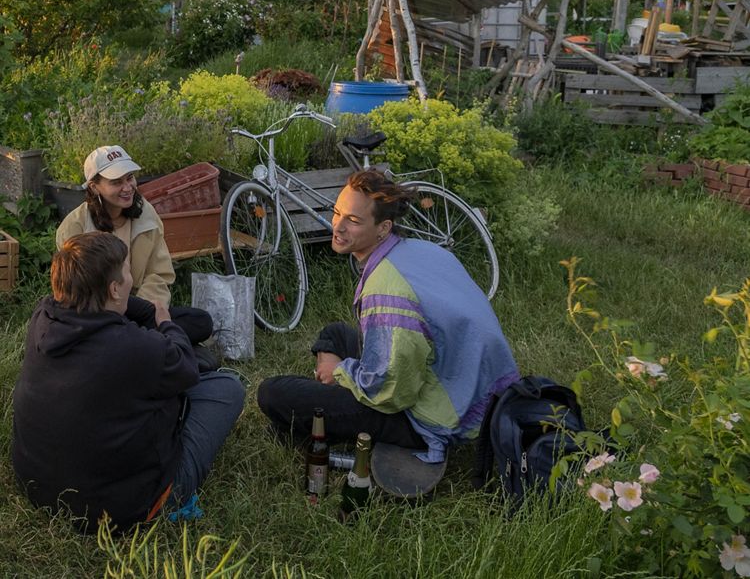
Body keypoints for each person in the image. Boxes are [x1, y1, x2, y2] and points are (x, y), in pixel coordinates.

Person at [257, 169, 519, 464]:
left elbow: (392, 392)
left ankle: (315, 418)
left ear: (383, 228)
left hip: (433, 416)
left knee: (272, 393)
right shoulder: (424, 250)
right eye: (337, 213)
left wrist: (341, 371)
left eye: (353, 221)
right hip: (468, 387)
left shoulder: (387, 290)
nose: (338, 226)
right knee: (335, 333)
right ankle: (321, 405)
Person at [12, 232, 245, 533]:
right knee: (226, 387)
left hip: (38, 486)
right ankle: (169, 494)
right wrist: (166, 323)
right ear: (112, 288)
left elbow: (119, 313)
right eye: (126, 270)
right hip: (123, 508)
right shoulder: (133, 347)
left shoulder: (43, 317)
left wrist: (129, 306)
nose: (131, 276)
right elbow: (186, 368)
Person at [56, 145, 211, 347]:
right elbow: (74, 292)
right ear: (94, 187)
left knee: (200, 321)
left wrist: (143, 310)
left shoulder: (146, 214)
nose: (128, 187)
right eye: (116, 182)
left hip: (140, 309)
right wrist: (114, 316)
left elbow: (159, 274)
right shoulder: (74, 227)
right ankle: (144, 345)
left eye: (130, 178)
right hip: (95, 316)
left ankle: (137, 342)